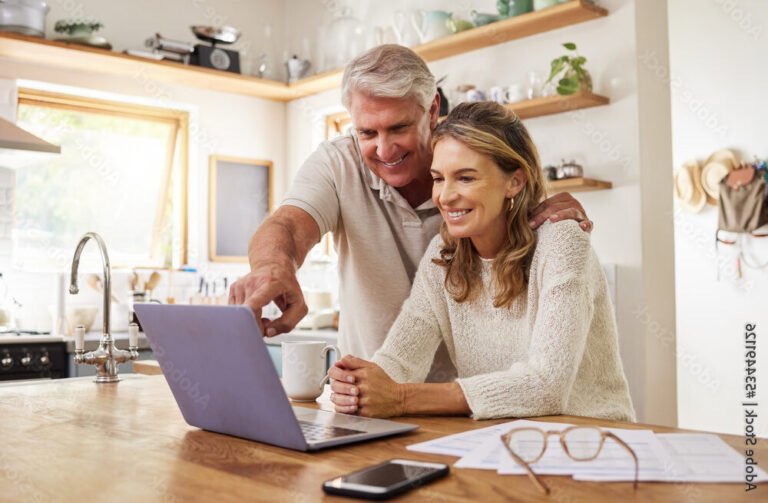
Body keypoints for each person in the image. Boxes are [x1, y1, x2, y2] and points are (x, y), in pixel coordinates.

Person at [228, 45, 592, 374]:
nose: (384, 151)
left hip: (479, 401)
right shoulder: (338, 163)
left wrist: (546, 217)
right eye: (367, 133)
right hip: (383, 392)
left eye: (398, 127)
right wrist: (274, 266)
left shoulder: (475, 158)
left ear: (432, 109)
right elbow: (289, 225)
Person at [328, 101, 636, 422]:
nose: (445, 197)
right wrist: (359, 384)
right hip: (501, 441)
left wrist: (401, 397)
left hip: (593, 443)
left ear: (514, 182)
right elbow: (399, 362)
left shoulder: (561, 241)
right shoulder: (443, 254)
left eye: (465, 178)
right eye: (438, 178)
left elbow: (546, 385)